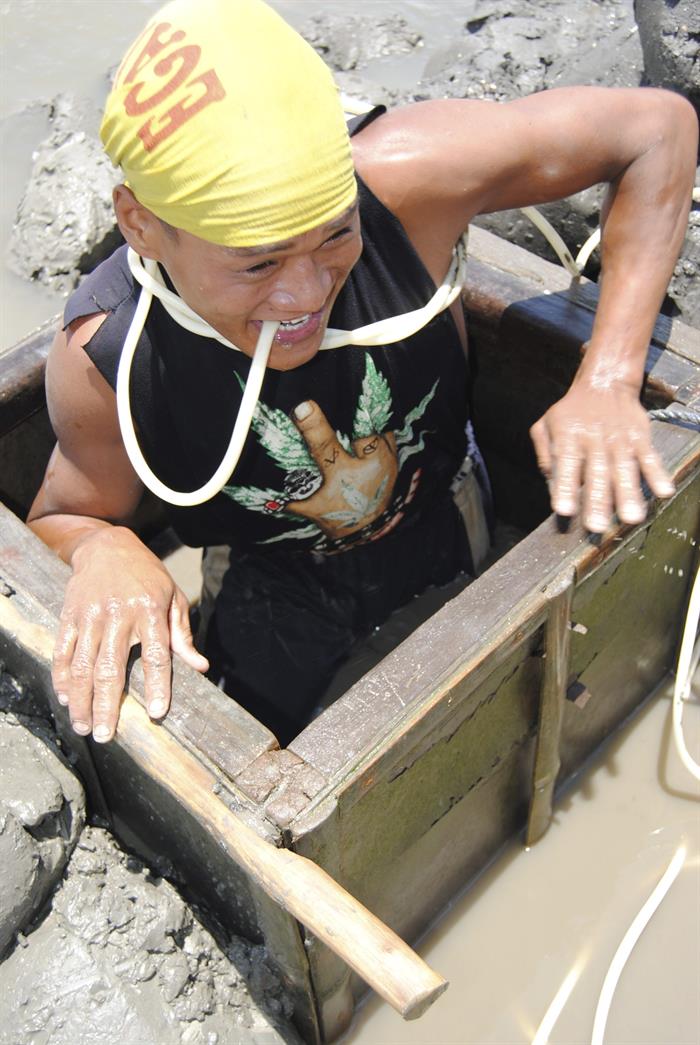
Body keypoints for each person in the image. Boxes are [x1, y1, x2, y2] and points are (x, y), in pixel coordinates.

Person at [27, 0, 697, 747]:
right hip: (273, 573)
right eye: (259, 263)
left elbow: (659, 130)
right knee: (248, 738)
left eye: (334, 236)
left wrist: (606, 377)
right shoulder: (111, 357)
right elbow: (61, 516)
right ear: (141, 223)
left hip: (443, 505)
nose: (306, 294)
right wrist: (104, 549)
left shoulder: (407, 183)